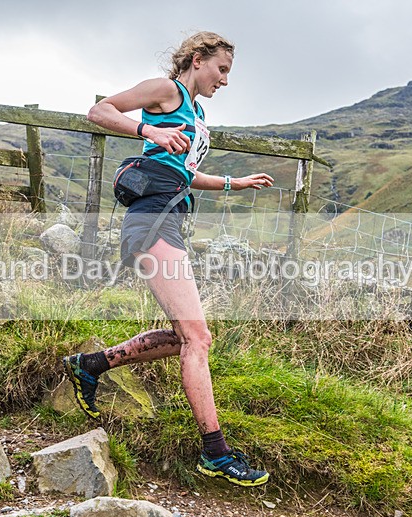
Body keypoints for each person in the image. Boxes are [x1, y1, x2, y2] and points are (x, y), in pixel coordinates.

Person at [63, 31, 274, 487]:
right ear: (197, 59)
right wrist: (148, 129)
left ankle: (91, 365)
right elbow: (99, 110)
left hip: (170, 217)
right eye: (221, 69)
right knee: (198, 339)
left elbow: (185, 173)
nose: (225, 80)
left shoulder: (197, 114)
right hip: (151, 219)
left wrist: (235, 184)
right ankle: (215, 453)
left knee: (187, 337)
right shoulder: (167, 91)